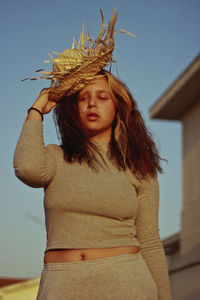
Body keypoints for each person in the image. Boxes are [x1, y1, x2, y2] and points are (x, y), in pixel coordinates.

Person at [13, 9, 171, 300]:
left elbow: (149, 241)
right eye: (82, 98)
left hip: (127, 283)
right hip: (63, 286)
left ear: (117, 106)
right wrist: (37, 109)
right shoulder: (56, 158)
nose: (91, 104)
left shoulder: (138, 166)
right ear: (73, 109)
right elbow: (27, 169)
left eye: (101, 97)